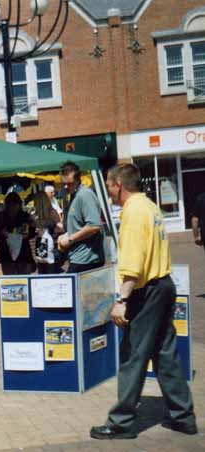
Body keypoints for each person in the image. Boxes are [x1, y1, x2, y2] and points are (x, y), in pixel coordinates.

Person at [90, 163, 197, 440]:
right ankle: (183, 416)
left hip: (145, 291)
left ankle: (122, 422)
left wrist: (121, 299)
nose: (109, 192)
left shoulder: (133, 212)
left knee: (133, 356)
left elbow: (134, 263)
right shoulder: (150, 207)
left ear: (118, 185)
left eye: (109, 186)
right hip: (163, 285)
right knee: (165, 354)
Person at [57, 162, 104, 273]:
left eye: (69, 183)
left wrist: (70, 239)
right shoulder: (74, 195)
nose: (65, 186)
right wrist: (66, 235)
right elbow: (80, 225)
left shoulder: (85, 194)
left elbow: (94, 226)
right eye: (63, 183)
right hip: (78, 259)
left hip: (86, 261)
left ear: (78, 180)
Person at [0, 192, 36, 274]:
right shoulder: (0, 217)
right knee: (10, 280)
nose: (13, 207)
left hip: (23, 255)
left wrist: (27, 235)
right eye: (10, 205)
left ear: (19, 205)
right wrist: (2, 234)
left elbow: (32, 232)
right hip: (6, 254)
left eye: (15, 204)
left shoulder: (25, 216)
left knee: (24, 280)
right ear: (6, 205)